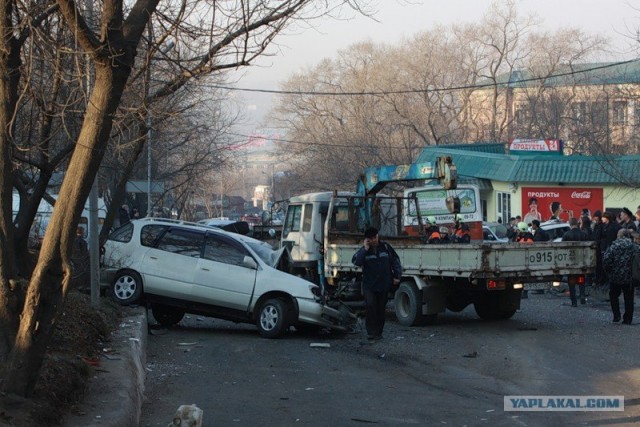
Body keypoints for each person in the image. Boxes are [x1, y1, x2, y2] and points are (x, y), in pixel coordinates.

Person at [352, 227, 402, 341]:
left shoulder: (385, 248)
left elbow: (395, 261)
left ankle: (379, 332)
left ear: (377, 236)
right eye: (371, 238)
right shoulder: (364, 251)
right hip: (369, 285)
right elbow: (356, 262)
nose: (373, 240)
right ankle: (371, 332)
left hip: (384, 284)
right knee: (370, 306)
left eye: (375, 237)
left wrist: (397, 276)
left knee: (380, 309)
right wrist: (365, 248)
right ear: (367, 239)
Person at [603, 229, 637, 324]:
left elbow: (606, 260)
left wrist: (608, 271)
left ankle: (616, 315)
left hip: (615, 276)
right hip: (630, 277)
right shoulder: (634, 246)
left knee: (613, 295)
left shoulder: (614, 246)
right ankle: (628, 319)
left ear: (619, 236)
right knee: (629, 298)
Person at [562, 218, 587, 306]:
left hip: (571, 260)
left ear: (570, 224)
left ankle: (574, 301)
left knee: (571, 281)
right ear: (577, 223)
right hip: (582, 260)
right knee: (581, 279)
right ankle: (582, 295)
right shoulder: (583, 234)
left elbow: (563, 248)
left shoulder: (566, 234)